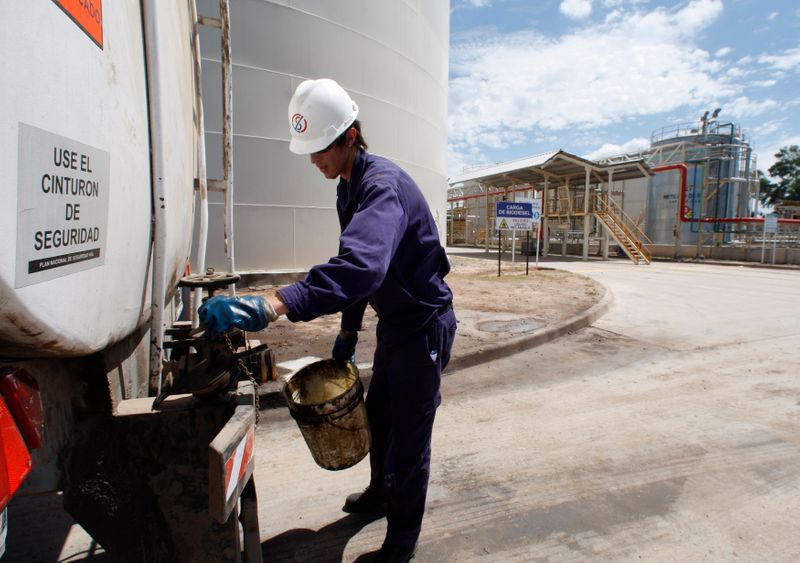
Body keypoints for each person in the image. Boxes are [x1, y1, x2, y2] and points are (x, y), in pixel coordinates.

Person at [199, 78, 456, 562]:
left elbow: (362, 267)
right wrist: (348, 329)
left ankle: (400, 546)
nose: (313, 158)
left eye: (321, 148)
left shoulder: (382, 188)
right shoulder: (348, 187)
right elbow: (357, 264)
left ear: (351, 137)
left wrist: (274, 304)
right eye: (308, 149)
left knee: (410, 443)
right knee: (378, 416)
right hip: (397, 327)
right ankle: (381, 495)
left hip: (425, 329)